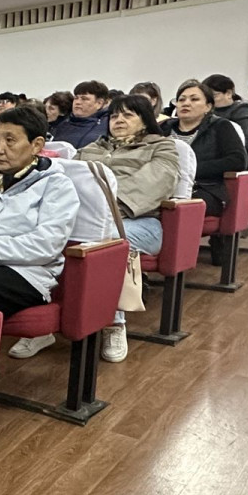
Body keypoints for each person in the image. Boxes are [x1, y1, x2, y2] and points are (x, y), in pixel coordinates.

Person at [0, 107, 80, 358]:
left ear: (36, 145)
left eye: (10, 140)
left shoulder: (56, 185)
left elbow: (45, 246)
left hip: (27, 273)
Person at [73, 95, 180, 362]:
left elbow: (153, 184)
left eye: (128, 115)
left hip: (141, 222)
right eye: (114, 115)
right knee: (55, 236)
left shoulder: (162, 147)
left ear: (145, 120)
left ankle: (114, 322)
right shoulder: (90, 149)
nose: (119, 120)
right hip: (88, 220)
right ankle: (50, 321)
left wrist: (104, 210)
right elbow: (66, 182)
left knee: (107, 242)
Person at [163, 79, 247, 219]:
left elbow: (237, 160)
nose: (186, 103)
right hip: (163, 187)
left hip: (205, 188)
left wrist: (191, 169)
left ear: (208, 106)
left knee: (174, 208)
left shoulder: (221, 126)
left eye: (194, 99)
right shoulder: (163, 128)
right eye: (181, 100)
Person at [203, 74, 248, 183]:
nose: (209, 101)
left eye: (213, 96)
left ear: (229, 93)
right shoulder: (204, 113)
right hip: (211, 160)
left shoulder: (244, 110)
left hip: (242, 162)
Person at [49, 81, 111, 149]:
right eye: (76, 98)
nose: (78, 102)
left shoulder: (109, 124)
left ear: (99, 103)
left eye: (84, 99)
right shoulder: (62, 124)